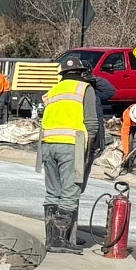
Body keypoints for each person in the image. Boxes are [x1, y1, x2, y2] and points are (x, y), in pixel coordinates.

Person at [37, 68, 102, 249]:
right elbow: (91, 123)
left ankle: (51, 240)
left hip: (48, 143)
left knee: (52, 193)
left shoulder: (54, 90)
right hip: (71, 144)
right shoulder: (83, 88)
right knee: (70, 193)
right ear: (81, 74)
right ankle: (59, 241)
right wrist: (88, 150)